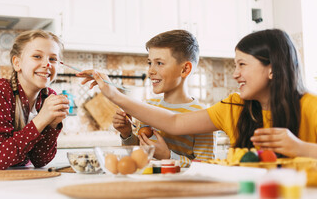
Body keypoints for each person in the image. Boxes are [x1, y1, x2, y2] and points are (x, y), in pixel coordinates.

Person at [78, 29, 317, 159]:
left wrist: (300, 148)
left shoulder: (310, 107)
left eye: (242, 65)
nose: (235, 74)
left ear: (272, 68)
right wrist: (112, 94)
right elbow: (175, 121)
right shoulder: (233, 107)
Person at [0, 30, 70, 169]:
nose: (47, 64)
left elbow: (40, 160)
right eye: (37, 56)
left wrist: (52, 125)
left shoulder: (47, 97)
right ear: (17, 63)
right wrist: (41, 119)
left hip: (12, 173)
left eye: (53, 59)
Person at [113, 30, 213, 167]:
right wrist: (127, 134)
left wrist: (168, 156)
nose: (150, 71)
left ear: (185, 69)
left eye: (159, 63)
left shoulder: (203, 118)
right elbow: (138, 155)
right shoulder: (148, 107)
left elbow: (207, 167)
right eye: (150, 63)